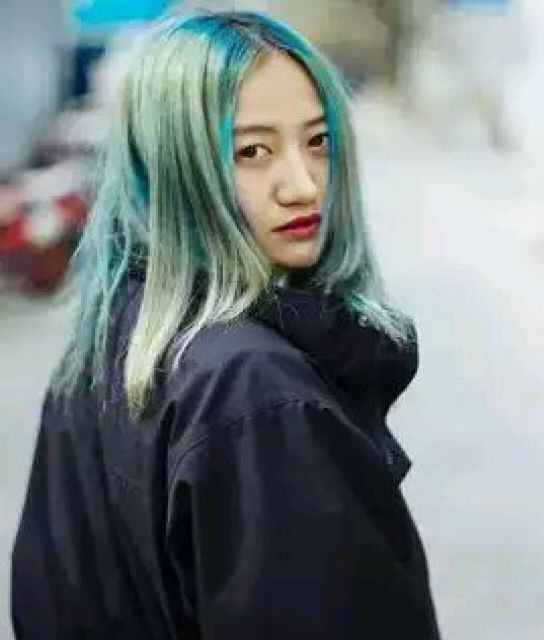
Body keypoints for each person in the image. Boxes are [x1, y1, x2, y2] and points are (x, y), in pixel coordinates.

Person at [11, 9, 441, 640]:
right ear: (174, 166)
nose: (303, 185)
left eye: (318, 142)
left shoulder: (109, 341)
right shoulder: (258, 393)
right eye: (252, 152)